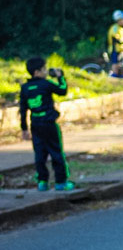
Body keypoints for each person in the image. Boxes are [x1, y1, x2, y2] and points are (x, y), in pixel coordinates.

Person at [19, 58, 74, 191]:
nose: (46, 72)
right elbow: (62, 90)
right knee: (56, 151)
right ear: (37, 72)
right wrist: (61, 77)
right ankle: (61, 182)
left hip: (35, 124)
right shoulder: (46, 84)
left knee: (40, 153)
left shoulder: (25, 88)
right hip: (49, 123)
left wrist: (24, 128)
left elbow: (23, 109)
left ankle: (42, 182)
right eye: (44, 69)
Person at [106, 10, 123, 77]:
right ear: (119, 20)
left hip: (121, 50)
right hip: (115, 50)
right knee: (115, 65)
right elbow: (116, 39)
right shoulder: (115, 28)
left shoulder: (121, 28)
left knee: (121, 66)